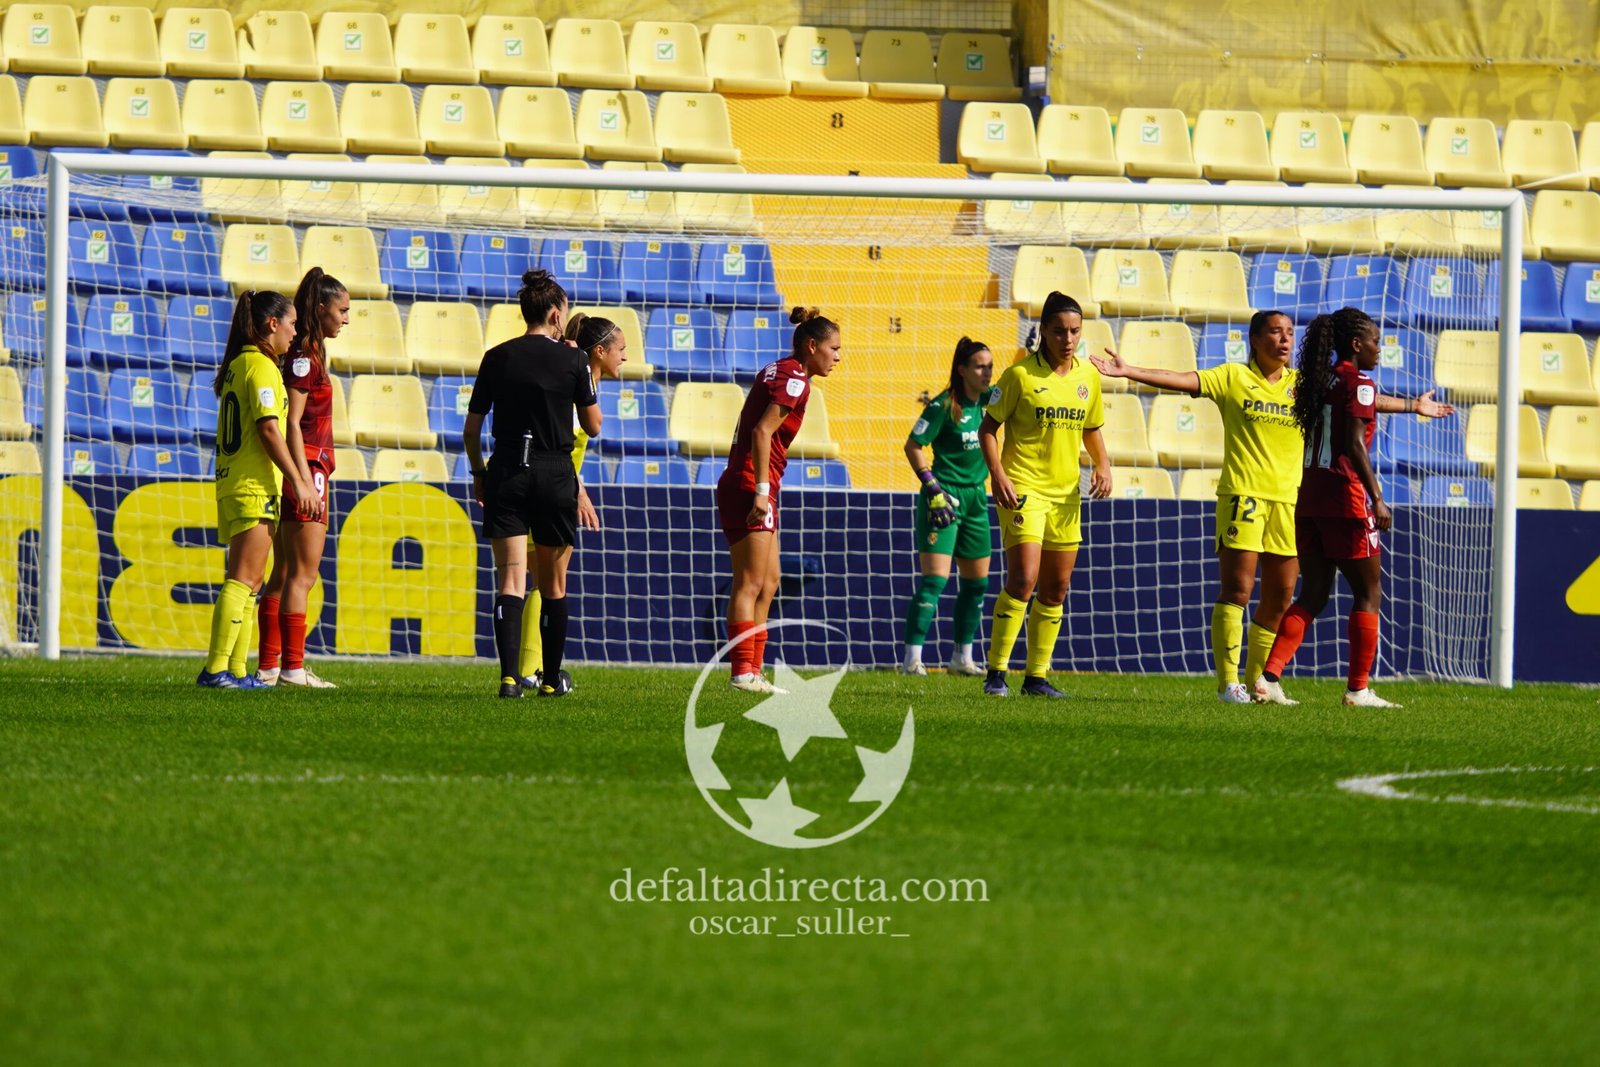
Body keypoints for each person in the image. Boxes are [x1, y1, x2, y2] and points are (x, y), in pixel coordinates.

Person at [1090, 310, 1301, 704]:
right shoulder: (1233, 377)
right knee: (1238, 588)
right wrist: (1128, 370)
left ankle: (1260, 683)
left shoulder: (1301, 387)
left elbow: (1357, 401)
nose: (1285, 339)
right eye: (1275, 332)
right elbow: (1183, 379)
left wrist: (1412, 407)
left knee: (1281, 596)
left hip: (1289, 501)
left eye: (1290, 332)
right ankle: (1228, 683)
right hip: (1244, 495)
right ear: (1255, 340)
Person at [1255, 306, 1454, 707]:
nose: (1380, 350)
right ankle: (1358, 689)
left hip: (1308, 497)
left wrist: (1414, 405)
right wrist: (1376, 497)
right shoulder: (1359, 381)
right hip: (1345, 499)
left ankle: (1268, 678)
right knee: (1369, 590)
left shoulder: (1318, 380)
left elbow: (1365, 404)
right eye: (1376, 342)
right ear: (1356, 344)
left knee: (1313, 593)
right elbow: (1354, 442)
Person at [464, 270, 600, 699]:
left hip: (506, 468)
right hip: (555, 472)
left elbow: (471, 431)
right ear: (556, 314)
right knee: (554, 585)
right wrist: (581, 371)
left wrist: (479, 474)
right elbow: (593, 427)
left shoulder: (496, 356)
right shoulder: (574, 359)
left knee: (510, 579)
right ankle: (549, 679)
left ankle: (508, 679)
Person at [979, 292, 1111, 699]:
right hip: (1024, 489)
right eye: (1059, 331)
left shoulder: (1088, 377)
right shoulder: (1019, 376)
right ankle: (996, 673)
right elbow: (988, 429)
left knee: (1056, 588)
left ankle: (1036, 678)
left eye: (1074, 331)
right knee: (1023, 578)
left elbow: (1091, 427)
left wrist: (1103, 465)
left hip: (1066, 495)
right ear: (1044, 332)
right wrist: (998, 473)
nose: (1067, 339)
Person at [198, 290, 320, 688]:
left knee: (250, 582)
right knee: (243, 578)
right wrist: (299, 481)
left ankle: (235, 671)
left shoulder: (238, 364)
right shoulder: (263, 367)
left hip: (234, 481)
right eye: (292, 323)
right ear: (273, 324)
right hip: (252, 484)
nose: (295, 331)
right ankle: (215, 670)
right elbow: (270, 428)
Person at [717, 306, 842, 693]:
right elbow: (761, 431)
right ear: (812, 346)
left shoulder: (783, 370)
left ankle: (753, 671)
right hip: (751, 484)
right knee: (750, 582)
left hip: (757, 482)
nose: (838, 356)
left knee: (769, 581)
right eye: (833, 348)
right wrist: (761, 491)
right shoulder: (794, 380)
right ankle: (742, 672)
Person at [515, 310, 626, 689]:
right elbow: (558, 444)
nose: (624, 357)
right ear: (598, 352)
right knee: (547, 582)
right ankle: (532, 670)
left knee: (541, 580)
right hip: (548, 488)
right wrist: (575, 489)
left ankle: (528, 670)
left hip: (545, 485)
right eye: (620, 349)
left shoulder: (577, 384)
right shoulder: (574, 388)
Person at [255, 268, 349, 688]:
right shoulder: (304, 358)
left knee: (283, 573)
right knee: (302, 575)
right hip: (307, 467)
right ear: (323, 308)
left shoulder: (311, 353)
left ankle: (270, 666)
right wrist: (302, 480)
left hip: (306, 467)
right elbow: (292, 422)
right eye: (342, 311)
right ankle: (292, 667)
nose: (346, 319)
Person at [899, 337, 997, 677]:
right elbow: (913, 446)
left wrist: (1033, 357)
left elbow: (1019, 393)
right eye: (980, 366)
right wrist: (932, 487)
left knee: (977, 584)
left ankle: (961, 658)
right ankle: (912, 661)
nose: (987, 373)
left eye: (990, 367)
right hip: (944, 497)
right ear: (962, 370)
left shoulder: (988, 400)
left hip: (977, 498)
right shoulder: (943, 406)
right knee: (935, 582)